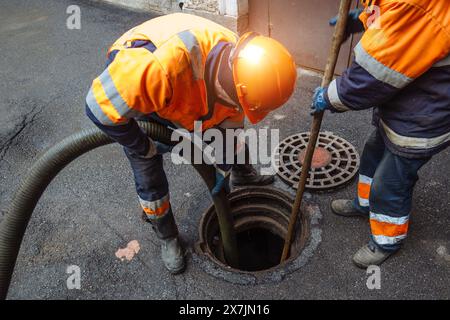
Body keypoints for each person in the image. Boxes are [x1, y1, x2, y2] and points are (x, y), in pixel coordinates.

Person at [85, 13, 297, 273]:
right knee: (148, 171)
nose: (241, 110)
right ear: (233, 87)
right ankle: (167, 236)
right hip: (146, 87)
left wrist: (223, 169)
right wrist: (141, 144)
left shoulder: (246, 68)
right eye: (242, 105)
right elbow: (97, 108)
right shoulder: (154, 69)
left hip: (188, 90)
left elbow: (231, 128)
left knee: (233, 136)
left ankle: (244, 175)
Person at [312, 0, 450, 268]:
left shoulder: (414, 4)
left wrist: (330, 97)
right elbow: (391, 20)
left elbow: (373, 76)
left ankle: (387, 239)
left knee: (391, 181)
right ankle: (365, 203)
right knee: (374, 152)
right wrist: (365, 18)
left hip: (425, 111)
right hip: (407, 98)